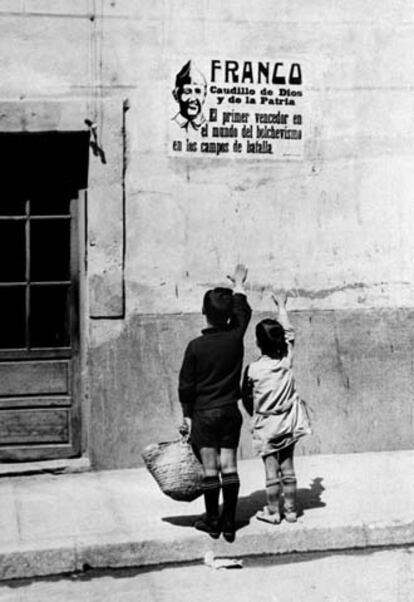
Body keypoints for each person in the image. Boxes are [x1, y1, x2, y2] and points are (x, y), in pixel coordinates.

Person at [178, 264, 251, 542]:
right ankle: (230, 523)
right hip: (230, 412)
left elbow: (186, 387)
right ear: (228, 315)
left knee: (211, 470)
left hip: (204, 414)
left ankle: (212, 521)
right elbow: (244, 313)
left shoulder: (195, 346)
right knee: (230, 466)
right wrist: (239, 286)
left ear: (203, 312)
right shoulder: (235, 339)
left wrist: (187, 416)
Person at [242, 291, 311, 524]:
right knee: (288, 465)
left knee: (271, 471)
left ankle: (273, 512)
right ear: (281, 343)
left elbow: (246, 398)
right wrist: (282, 306)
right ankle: (291, 510)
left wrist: (257, 413)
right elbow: (289, 333)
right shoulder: (286, 361)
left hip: (266, 424)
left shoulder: (252, 370)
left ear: (258, 343)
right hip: (289, 421)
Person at [172, 60, 207, 132]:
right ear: (176, 95)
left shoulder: (212, 127)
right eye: (187, 91)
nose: (193, 98)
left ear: (204, 95)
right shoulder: (169, 126)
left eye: (198, 91)